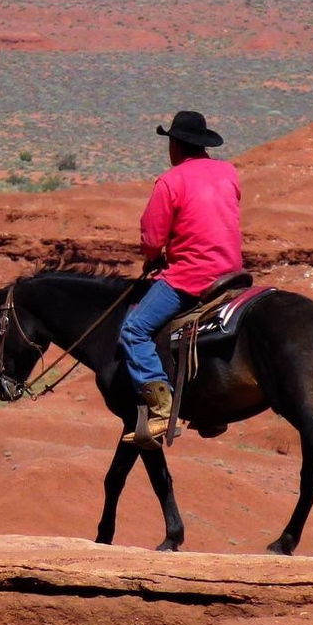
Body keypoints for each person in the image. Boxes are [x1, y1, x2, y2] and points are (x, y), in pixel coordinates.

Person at [120, 110, 243, 443]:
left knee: (134, 330)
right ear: (202, 144)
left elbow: (152, 240)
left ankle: (161, 409)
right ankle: (211, 407)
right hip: (232, 273)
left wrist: (155, 256)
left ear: (176, 144)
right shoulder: (228, 172)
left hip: (192, 276)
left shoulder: (170, 181)